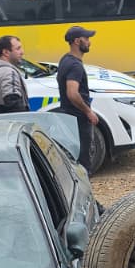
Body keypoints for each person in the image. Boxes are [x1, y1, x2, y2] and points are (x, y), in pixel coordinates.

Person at [55, 25, 100, 170]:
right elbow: (72, 93)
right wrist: (88, 112)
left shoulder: (65, 60)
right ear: (77, 41)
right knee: (83, 162)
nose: (89, 42)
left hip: (70, 118)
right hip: (78, 120)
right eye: (86, 39)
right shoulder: (75, 66)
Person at [0, 34, 29, 115]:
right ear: (6, 52)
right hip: (8, 124)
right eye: (18, 49)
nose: (22, 52)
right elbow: (13, 102)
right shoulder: (9, 72)